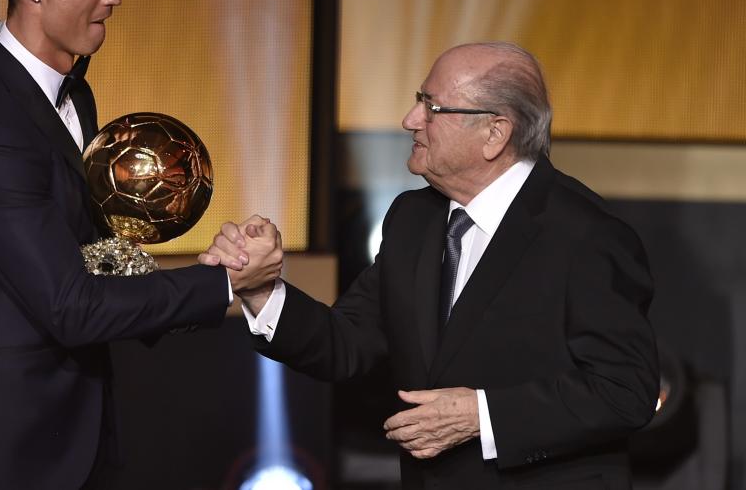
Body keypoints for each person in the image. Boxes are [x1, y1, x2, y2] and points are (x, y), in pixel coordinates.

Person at [0, 0, 281, 490]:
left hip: (77, 437)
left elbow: (89, 258)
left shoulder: (74, 95)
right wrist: (227, 283)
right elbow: (70, 306)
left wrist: (206, 268)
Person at [203, 42, 659, 489]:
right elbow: (346, 341)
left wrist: (480, 416)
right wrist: (260, 290)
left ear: (495, 133)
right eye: (418, 100)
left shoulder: (586, 234)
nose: (410, 120)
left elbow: (624, 392)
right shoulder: (412, 218)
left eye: (432, 107)